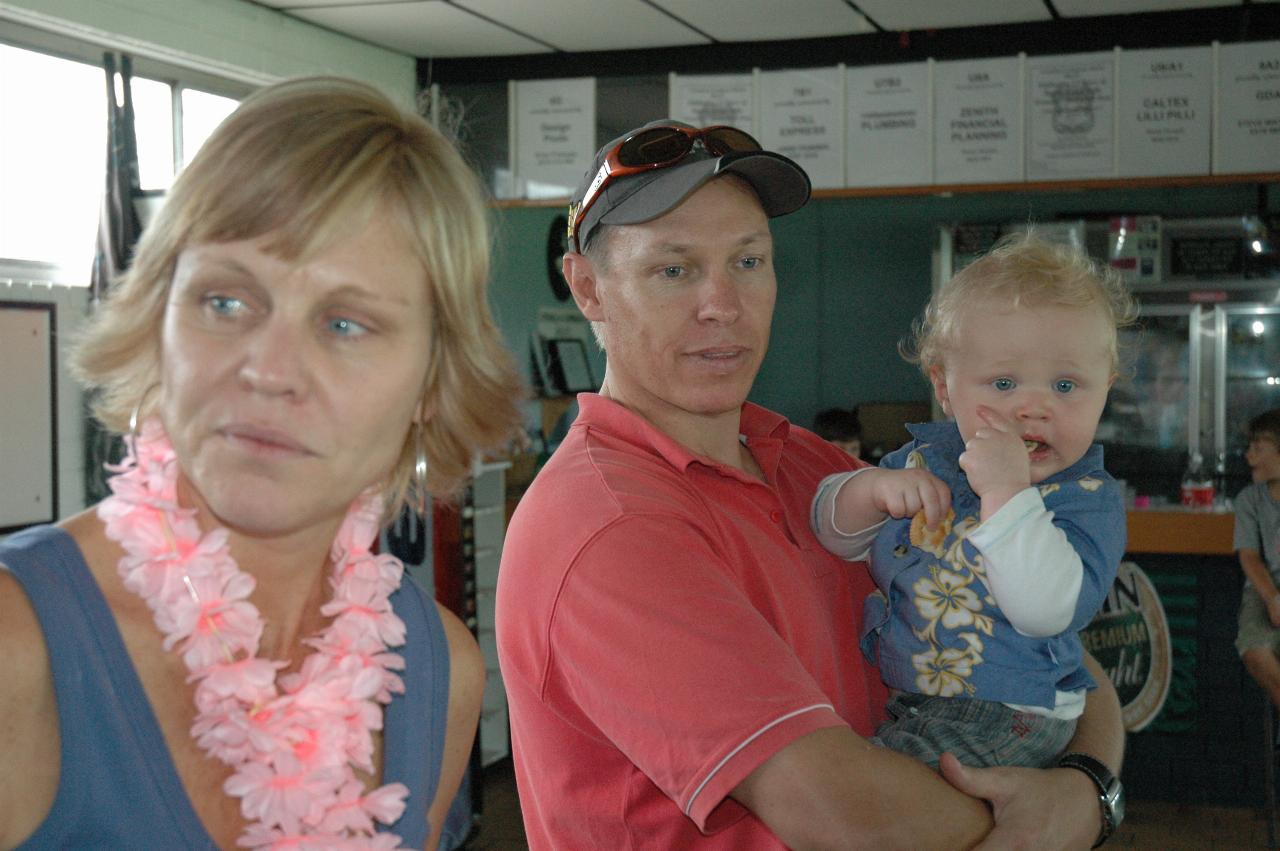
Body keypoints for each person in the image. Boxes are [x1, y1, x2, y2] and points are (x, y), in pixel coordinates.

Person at [497, 120, 1125, 850]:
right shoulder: (608, 525)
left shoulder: (816, 469)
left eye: (748, 260)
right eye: (674, 269)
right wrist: (1048, 820)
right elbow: (841, 815)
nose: (722, 303)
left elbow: (1066, 664)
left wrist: (1085, 786)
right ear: (588, 288)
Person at [0, 77, 524, 850]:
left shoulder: (438, 673)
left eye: (345, 323)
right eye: (225, 302)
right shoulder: (19, 643)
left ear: (431, 382)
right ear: (157, 318)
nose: (270, 369)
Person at [811, 233, 1134, 770]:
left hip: (1010, 711)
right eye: (1004, 383)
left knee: (872, 791)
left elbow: (1044, 611)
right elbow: (832, 534)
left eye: (1067, 385)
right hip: (912, 700)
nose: (1033, 408)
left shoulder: (1083, 499)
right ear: (944, 386)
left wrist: (1006, 492)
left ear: (1107, 388)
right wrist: (869, 492)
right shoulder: (923, 459)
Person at [1234, 409, 1280, 708]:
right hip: (1265, 589)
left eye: (1258, 449)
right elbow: (1249, 557)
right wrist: (1273, 598)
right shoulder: (1249, 499)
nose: (1249, 456)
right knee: (1255, 650)